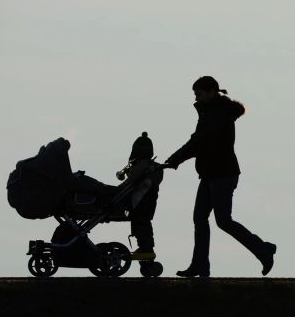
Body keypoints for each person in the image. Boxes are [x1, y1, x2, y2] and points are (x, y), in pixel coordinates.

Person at [165, 76, 276, 277]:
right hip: (210, 174)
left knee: (223, 220)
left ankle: (263, 249)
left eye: (199, 94)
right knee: (200, 218)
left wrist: (175, 159)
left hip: (222, 174)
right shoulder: (211, 112)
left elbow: (198, 142)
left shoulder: (217, 115)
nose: (196, 98)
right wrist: (175, 159)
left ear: (211, 92)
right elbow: (197, 141)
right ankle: (200, 265)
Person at [117, 132, 164, 261]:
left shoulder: (143, 166)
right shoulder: (156, 167)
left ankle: (146, 248)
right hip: (149, 201)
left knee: (140, 222)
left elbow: (131, 182)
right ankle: (145, 248)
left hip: (140, 202)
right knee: (143, 223)